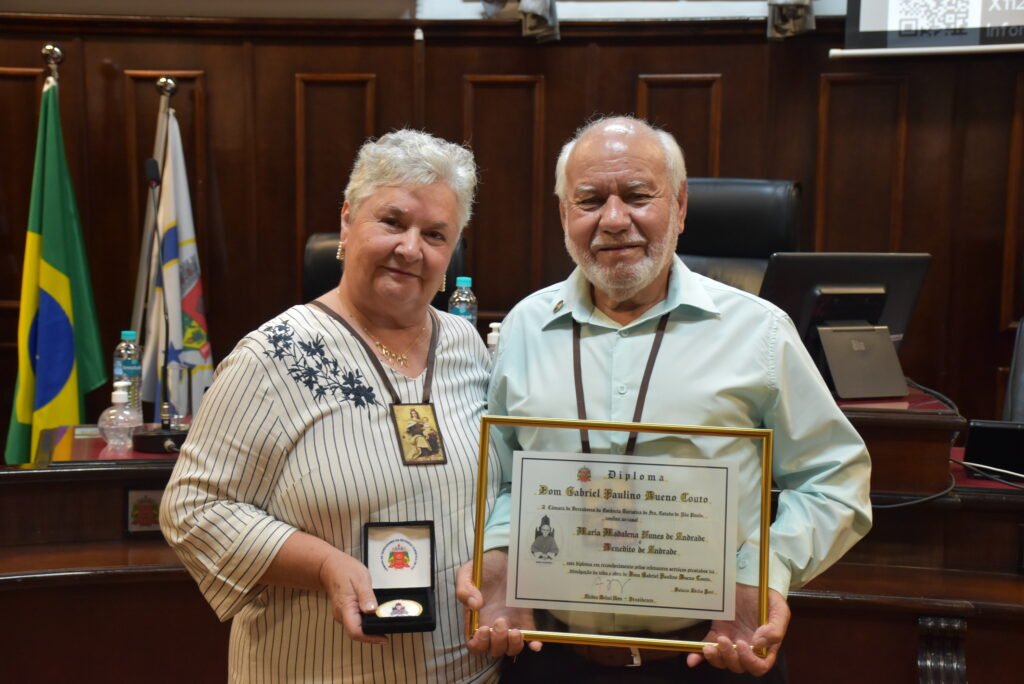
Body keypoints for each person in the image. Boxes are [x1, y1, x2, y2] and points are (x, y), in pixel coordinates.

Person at [455, 116, 872, 682]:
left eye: (636, 196)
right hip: (551, 658)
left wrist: (763, 569)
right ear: (563, 215)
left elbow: (835, 478)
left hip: (707, 659)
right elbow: (499, 472)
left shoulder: (759, 331)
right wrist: (500, 551)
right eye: (589, 200)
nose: (613, 219)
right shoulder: (527, 325)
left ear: (678, 207)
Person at [160, 129, 501, 683]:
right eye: (392, 222)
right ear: (347, 221)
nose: (411, 248)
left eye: (435, 234)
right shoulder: (272, 355)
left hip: (469, 670)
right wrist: (323, 564)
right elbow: (193, 508)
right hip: (318, 667)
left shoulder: (467, 345)